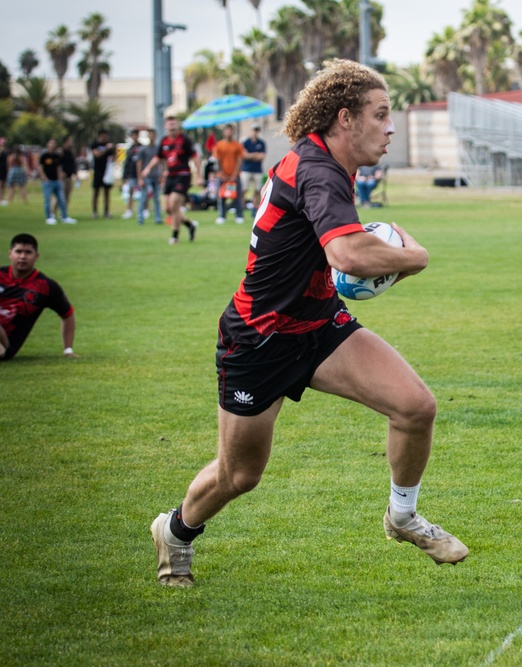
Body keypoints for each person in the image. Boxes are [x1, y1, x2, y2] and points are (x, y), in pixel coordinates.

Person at [149, 58, 468, 589]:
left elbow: (339, 255)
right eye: (381, 115)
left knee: (416, 407)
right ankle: (176, 532)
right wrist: (415, 257)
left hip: (318, 324)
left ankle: (403, 517)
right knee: (239, 475)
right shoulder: (317, 169)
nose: (390, 127)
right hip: (259, 338)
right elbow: (346, 253)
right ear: (345, 118)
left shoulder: (328, 164)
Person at [0, 233, 80, 361]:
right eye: (18, 251)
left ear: (36, 256)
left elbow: (67, 314)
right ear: (10, 254)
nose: (22, 257)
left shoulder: (46, 286)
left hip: (5, 347)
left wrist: (68, 350)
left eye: (28, 252)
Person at [141, 116, 202, 244]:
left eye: (174, 126)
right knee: (168, 208)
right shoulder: (164, 141)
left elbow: (195, 157)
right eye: (170, 126)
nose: (172, 128)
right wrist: (147, 169)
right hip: (170, 176)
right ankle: (190, 225)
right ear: (165, 127)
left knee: (174, 204)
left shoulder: (184, 140)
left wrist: (199, 175)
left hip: (183, 175)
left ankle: (174, 236)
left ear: (177, 126)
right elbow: (158, 157)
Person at [213, 123, 246, 224]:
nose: (229, 132)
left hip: (235, 176)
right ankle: (222, 216)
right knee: (222, 197)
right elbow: (218, 160)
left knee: (237, 196)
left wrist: (234, 175)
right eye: (227, 130)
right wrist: (222, 174)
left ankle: (239, 215)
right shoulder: (219, 145)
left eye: (231, 130)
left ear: (233, 132)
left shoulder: (238, 145)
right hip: (222, 176)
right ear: (224, 132)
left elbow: (240, 160)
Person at [38, 138, 76, 225]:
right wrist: (44, 178)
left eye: (54, 144)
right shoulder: (44, 156)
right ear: (47, 144)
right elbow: (40, 167)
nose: (52, 145)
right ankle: (49, 217)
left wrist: (59, 179)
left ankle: (64, 217)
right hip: (48, 181)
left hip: (57, 181)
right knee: (47, 200)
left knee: (62, 200)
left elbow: (59, 168)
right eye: (50, 143)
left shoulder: (56, 156)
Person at [135, 128, 164, 226]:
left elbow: (163, 162)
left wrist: (162, 175)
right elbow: (139, 164)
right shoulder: (143, 150)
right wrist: (140, 178)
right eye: (150, 135)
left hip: (156, 176)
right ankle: (140, 218)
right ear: (148, 136)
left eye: (153, 135)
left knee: (157, 198)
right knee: (143, 198)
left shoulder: (158, 149)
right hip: (146, 177)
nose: (152, 137)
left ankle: (158, 218)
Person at [90, 129, 115, 219]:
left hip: (107, 173)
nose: (105, 137)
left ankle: (106, 212)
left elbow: (113, 158)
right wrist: (106, 149)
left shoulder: (109, 145)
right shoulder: (95, 144)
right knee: (96, 192)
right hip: (98, 171)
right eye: (103, 135)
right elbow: (97, 155)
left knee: (107, 193)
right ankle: (95, 212)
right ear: (99, 135)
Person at [241, 125, 267, 210]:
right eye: (254, 130)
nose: (255, 132)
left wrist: (250, 155)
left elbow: (262, 156)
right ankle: (241, 206)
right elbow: (244, 155)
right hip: (247, 169)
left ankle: (255, 207)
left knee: (257, 190)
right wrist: (255, 155)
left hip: (257, 170)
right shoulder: (246, 142)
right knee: (244, 189)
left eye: (257, 131)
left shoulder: (261, 143)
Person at [121, 129, 142, 219]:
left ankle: (144, 209)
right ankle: (129, 210)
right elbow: (127, 163)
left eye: (135, 135)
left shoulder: (142, 147)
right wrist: (125, 175)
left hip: (141, 174)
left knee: (143, 193)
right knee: (131, 192)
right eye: (132, 135)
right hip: (132, 174)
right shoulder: (130, 149)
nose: (134, 137)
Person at [60, 136, 79, 209]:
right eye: (70, 141)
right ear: (66, 142)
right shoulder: (61, 152)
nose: (72, 142)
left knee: (67, 196)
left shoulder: (71, 152)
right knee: (60, 196)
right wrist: (61, 173)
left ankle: (64, 214)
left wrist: (76, 174)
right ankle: (52, 213)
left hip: (69, 176)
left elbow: (73, 164)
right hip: (62, 178)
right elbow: (58, 164)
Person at [0, 137, 10, 205]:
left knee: (3, 185)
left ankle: (2, 199)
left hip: (4, 169)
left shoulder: (6, 151)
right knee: (0, 184)